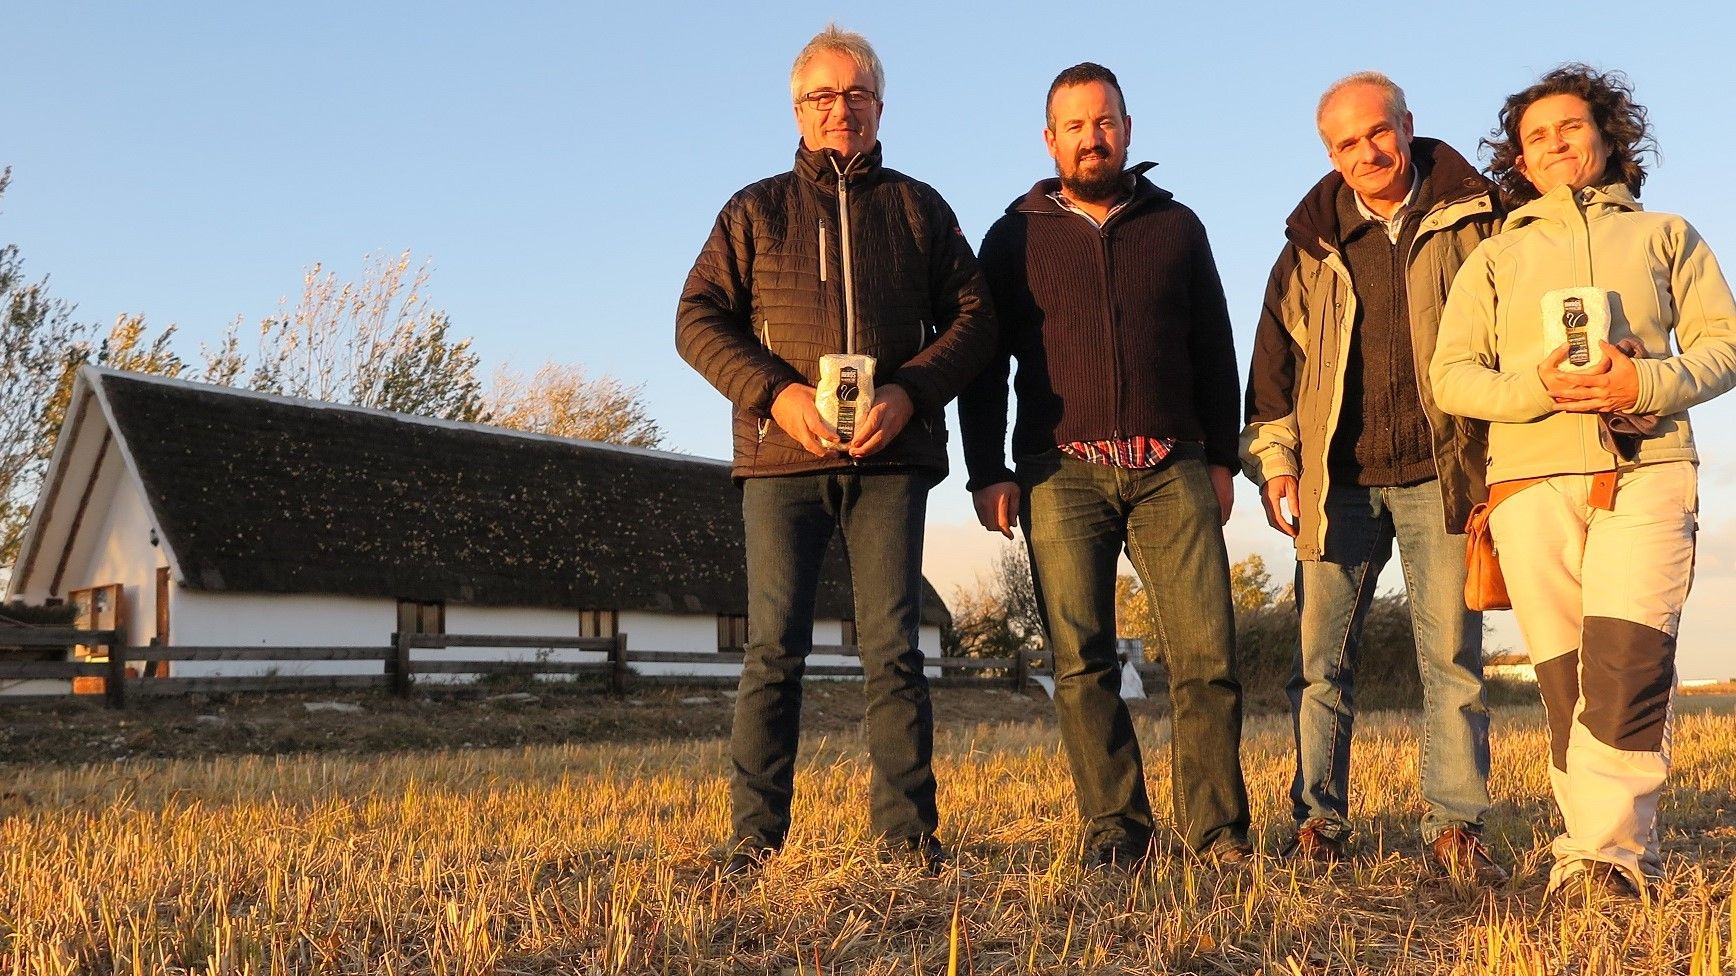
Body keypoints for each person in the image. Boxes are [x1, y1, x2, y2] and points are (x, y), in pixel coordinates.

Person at [675, 25, 997, 877]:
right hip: (782, 461)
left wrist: (911, 392)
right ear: (797, 110)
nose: (840, 110)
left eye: (856, 95)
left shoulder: (920, 208)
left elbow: (975, 318)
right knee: (773, 650)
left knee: (893, 649)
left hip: (892, 461)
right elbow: (696, 320)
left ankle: (905, 841)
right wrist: (775, 395)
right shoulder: (753, 210)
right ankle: (753, 841)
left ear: (880, 106)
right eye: (823, 96)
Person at [1431, 64, 1736, 900]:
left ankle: (1608, 858)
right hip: (1530, 481)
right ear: (1520, 162)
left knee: (1630, 664)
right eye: (1537, 136)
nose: (1557, 144)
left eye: (1571, 127)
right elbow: (1452, 376)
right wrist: (1541, 388)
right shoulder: (1494, 256)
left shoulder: (1668, 234)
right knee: (1566, 678)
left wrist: (1644, 385)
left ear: (1607, 136)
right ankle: (1595, 851)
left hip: (1650, 470)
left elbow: (1723, 347)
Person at [959, 62, 1250, 869]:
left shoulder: (1177, 225)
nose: (1093, 137)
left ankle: (1218, 831)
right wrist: (988, 470)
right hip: (1061, 475)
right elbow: (983, 366)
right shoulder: (1011, 235)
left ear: (1128, 129)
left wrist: (1222, 457)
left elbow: (1214, 349)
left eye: (1106, 121)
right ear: (1050, 139)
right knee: (1082, 664)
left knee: (1206, 659)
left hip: (1173, 468)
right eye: (1075, 125)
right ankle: (1117, 829)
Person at [1241, 72, 1506, 883]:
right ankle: (1318, 823)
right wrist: (1278, 462)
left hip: (1442, 475)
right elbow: (1274, 369)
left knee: (1452, 661)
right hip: (1338, 482)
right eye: (1346, 143)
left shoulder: (1476, 220)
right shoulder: (1310, 244)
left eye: (1378, 133)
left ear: (1407, 125)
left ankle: (1454, 826)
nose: (1367, 153)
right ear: (1330, 153)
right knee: (1321, 665)